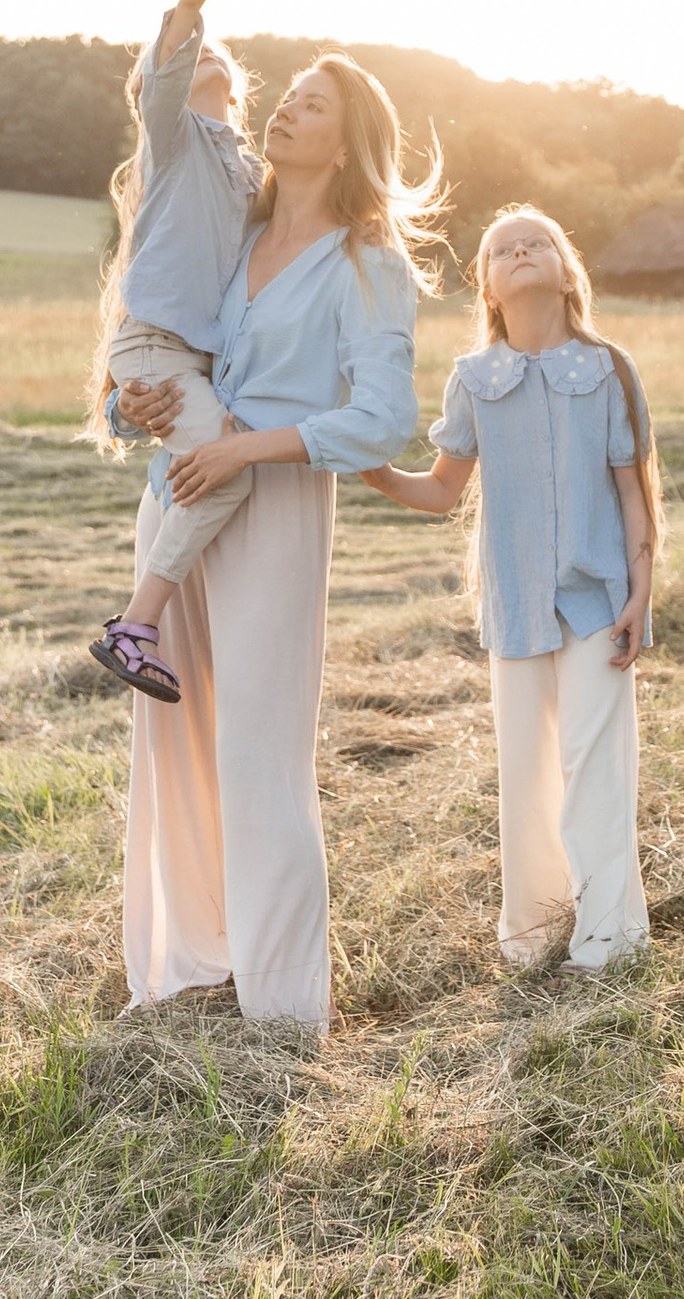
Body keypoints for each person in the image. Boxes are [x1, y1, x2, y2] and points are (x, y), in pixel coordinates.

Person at [110, 53, 440, 1030]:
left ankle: (284, 1011)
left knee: (260, 755)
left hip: (277, 511)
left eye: (312, 104)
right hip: (179, 498)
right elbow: (169, 357)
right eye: (287, 98)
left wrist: (253, 445)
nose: (287, 110)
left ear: (347, 141)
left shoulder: (367, 266)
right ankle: (192, 962)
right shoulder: (231, 231)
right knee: (174, 743)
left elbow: (384, 420)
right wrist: (136, 404)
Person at [362, 203, 657, 971]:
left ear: (566, 273)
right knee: (526, 772)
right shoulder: (473, 380)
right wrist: (370, 468)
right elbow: (440, 492)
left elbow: (634, 491)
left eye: (538, 243)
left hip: (598, 599)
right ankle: (531, 936)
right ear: (488, 288)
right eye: (501, 249)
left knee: (594, 764)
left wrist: (641, 592)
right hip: (517, 603)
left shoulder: (609, 369)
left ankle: (608, 940)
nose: (520, 251)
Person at [86, 0, 257, 705]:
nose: (205, 58)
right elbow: (163, 83)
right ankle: (135, 626)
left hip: (189, 358)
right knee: (224, 468)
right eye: (194, 56)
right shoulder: (178, 140)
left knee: (217, 467)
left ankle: (146, 624)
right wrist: (190, 10)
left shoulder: (246, 167)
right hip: (155, 344)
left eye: (215, 51)